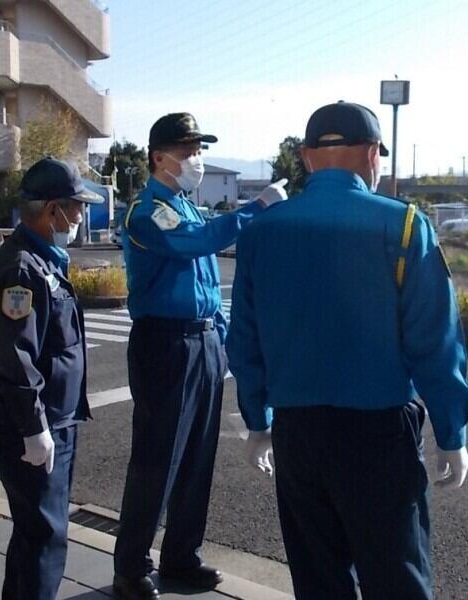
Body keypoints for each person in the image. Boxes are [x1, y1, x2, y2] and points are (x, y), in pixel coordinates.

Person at [226, 101, 468, 600]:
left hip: (297, 431)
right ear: (373, 155)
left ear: (307, 157)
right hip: (378, 432)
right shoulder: (403, 226)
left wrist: (258, 421)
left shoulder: (261, 231)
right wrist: (452, 431)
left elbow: (244, 341)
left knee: (318, 578)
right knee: (396, 576)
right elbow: (435, 341)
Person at [112, 112, 288, 599]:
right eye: (188, 151)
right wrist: (257, 206)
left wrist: (225, 341)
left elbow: (209, 287)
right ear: (159, 157)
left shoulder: (187, 207)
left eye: (199, 150)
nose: (197, 159)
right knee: (157, 459)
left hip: (203, 340)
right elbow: (197, 244)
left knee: (196, 458)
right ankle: (130, 566)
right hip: (165, 344)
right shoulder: (148, 210)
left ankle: (181, 556)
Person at [0, 156, 103, 600]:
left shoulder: (42, 260)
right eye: (76, 208)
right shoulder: (24, 269)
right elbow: (12, 356)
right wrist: (34, 428)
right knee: (44, 540)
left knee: (36, 536)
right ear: (53, 210)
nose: (80, 216)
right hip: (35, 427)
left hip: (52, 421)